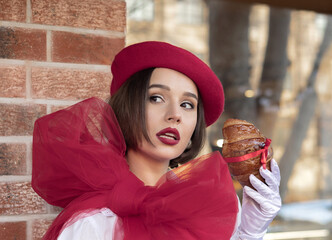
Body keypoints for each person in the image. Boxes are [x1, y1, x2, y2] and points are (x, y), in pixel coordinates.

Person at [31, 41, 281, 240]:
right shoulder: (93, 222)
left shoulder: (211, 205)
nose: (175, 114)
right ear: (127, 106)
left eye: (187, 104)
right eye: (156, 98)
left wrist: (250, 232)